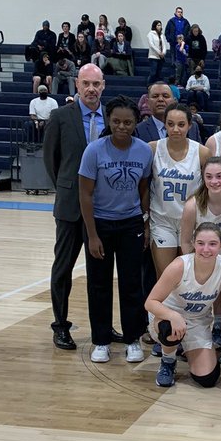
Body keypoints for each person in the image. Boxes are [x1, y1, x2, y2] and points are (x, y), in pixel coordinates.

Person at [78, 95, 152, 364]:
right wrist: (93, 235)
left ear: (136, 122)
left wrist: (144, 223)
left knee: (132, 282)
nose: (122, 126)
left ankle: (133, 339)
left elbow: (144, 188)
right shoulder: (94, 151)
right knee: (99, 283)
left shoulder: (144, 150)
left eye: (128, 122)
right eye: (117, 121)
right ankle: (101, 340)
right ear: (108, 121)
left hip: (130, 222)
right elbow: (85, 194)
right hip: (100, 223)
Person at [43, 64, 106, 351]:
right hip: (69, 207)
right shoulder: (60, 117)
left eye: (96, 83)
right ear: (77, 86)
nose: (91, 89)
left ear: (103, 85)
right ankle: (60, 325)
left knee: (101, 273)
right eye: (86, 83)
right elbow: (51, 161)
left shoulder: (112, 118)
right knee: (63, 268)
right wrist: (70, 189)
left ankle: (103, 328)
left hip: (104, 207)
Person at [146, 223, 221, 389]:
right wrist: (173, 315)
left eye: (212, 244)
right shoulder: (179, 266)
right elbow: (150, 302)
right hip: (166, 317)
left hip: (198, 322)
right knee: (169, 328)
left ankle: (184, 347)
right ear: (193, 243)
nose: (206, 249)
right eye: (201, 243)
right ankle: (168, 361)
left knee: (208, 378)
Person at [147, 103, 208, 280]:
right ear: (164, 124)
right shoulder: (153, 148)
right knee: (165, 277)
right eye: (170, 124)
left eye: (181, 124)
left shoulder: (202, 152)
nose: (175, 129)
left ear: (190, 125)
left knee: (188, 277)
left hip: (190, 221)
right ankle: (160, 308)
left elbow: (209, 188)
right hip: (162, 220)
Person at [180, 157, 221, 268]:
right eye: (209, 177)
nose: (214, 181)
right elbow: (185, 242)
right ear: (203, 178)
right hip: (204, 256)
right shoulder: (192, 206)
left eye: (219, 176)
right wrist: (194, 266)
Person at [147, 19, 166, 85]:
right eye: (158, 25)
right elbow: (151, 45)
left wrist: (163, 52)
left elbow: (164, 45)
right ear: (155, 26)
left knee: (159, 74)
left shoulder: (161, 34)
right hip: (153, 56)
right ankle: (149, 85)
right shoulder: (150, 34)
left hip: (160, 57)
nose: (160, 26)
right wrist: (159, 52)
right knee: (153, 73)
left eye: (160, 25)